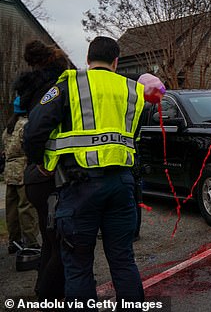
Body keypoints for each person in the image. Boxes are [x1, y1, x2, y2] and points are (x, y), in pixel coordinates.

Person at [24, 36, 147, 307]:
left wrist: (41, 165)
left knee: (78, 264)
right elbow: (134, 135)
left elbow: (34, 130)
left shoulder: (70, 83)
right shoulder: (132, 89)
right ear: (116, 61)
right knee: (123, 259)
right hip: (121, 185)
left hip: (79, 186)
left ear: (88, 60)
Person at [15, 39, 70, 301]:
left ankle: (44, 290)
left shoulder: (30, 90)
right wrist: (41, 164)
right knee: (60, 240)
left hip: (35, 177)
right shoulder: (56, 89)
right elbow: (35, 133)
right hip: (48, 175)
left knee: (50, 239)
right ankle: (50, 295)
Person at [2, 97, 40, 254]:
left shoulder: (9, 127)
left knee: (11, 208)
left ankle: (14, 240)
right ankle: (31, 242)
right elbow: (29, 146)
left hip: (9, 171)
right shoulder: (26, 125)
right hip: (23, 169)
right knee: (26, 207)